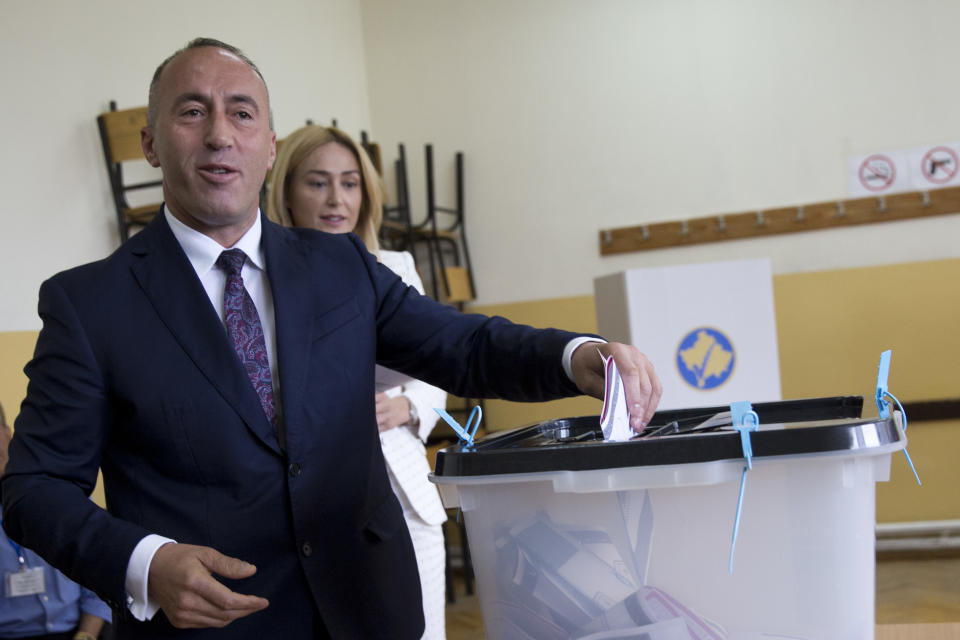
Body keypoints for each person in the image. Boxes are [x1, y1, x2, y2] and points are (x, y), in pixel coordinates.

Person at [0, 37, 662, 640]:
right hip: (213, 628)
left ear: (269, 143)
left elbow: (461, 344)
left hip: (370, 607)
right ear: (150, 143)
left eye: (241, 113)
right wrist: (146, 563)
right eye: (192, 112)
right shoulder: (89, 304)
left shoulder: (340, 266)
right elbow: (33, 488)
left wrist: (577, 355)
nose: (219, 135)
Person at [268, 125, 449, 639]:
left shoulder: (394, 267)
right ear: (286, 191)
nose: (335, 199)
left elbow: (436, 360)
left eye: (349, 184)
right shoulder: (262, 279)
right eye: (317, 183)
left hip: (403, 483)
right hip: (321, 501)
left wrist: (409, 407)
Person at [0, 403, 112, 640]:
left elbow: (99, 575)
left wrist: (86, 635)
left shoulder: (62, 490)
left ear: (7, 433)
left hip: (82, 631)